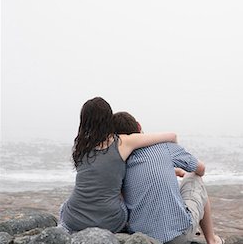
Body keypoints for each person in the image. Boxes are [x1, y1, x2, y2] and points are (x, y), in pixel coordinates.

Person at [113, 111, 225, 244]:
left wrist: (170, 171)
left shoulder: (118, 162)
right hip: (176, 239)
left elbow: (141, 177)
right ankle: (212, 242)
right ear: (139, 126)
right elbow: (201, 168)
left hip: (141, 239)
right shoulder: (163, 147)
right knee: (195, 177)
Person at [59, 97, 177, 233]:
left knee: (65, 206)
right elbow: (171, 136)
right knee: (121, 195)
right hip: (110, 222)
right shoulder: (122, 142)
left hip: (74, 220)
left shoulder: (80, 147)